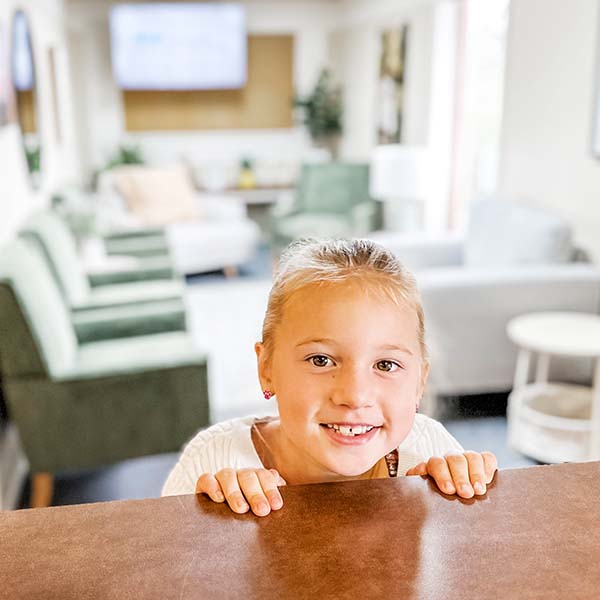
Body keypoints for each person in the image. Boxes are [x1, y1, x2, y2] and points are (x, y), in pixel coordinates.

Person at [162, 238, 498, 516]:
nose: (354, 395)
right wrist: (209, 521)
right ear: (267, 369)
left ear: (420, 381)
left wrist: (466, 494)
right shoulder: (213, 460)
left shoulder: (429, 448)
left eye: (385, 365)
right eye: (321, 360)